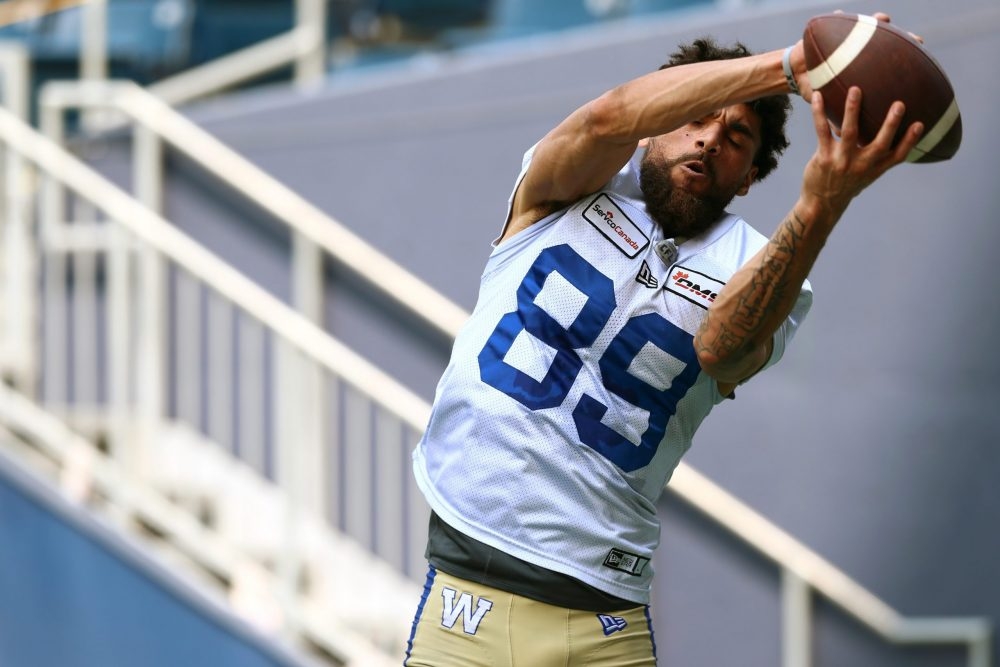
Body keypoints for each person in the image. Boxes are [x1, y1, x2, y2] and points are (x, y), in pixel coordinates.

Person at [405, 14, 924, 667]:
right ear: (659, 121)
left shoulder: (766, 261)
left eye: (736, 136)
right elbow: (606, 120)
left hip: (603, 620)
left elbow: (722, 349)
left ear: (748, 178)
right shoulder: (567, 185)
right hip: (467, 599)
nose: (709, 140)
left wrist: (820, 205)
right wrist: (792, 66)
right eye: (695, 117)